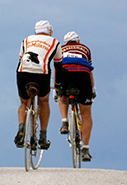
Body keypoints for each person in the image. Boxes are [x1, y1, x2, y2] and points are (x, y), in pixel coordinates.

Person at [14, 20, 63, 150]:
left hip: (23, 71)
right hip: (42, 73)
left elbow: (21, 58)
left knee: (24, 103)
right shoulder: (55, 42)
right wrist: (57, 85)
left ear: (35, 31)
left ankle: (21, 128)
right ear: (50, 31)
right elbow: (58, 66)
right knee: (44, 101)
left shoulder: (26, 39)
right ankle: (43, 136)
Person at [55, 31, 96, 162]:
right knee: (86, 114)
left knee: (62, 95)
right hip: (83, 75)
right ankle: (86, 148)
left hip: (65, 73)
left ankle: (64, 122)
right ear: (78, 41)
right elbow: (89, 69)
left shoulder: (60, 49)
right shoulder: (85, 48)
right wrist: (92, 89)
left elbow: (57, 69)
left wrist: (57, 88)